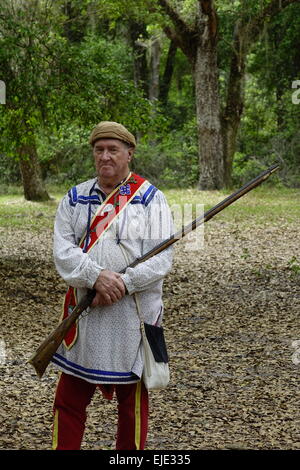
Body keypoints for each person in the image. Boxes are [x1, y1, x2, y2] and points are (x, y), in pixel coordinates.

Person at [51, 121, 174, 450]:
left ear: (129, 154)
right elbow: (63, 252)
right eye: (99, 149)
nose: (105, 156)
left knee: (132, 407)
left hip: (131, 317)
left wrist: (123, 282)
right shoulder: (75, 198)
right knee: (68, 403)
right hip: (85, 314)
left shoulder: (151, 199)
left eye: (113, 150)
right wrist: (95, 277)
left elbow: (162, 259)